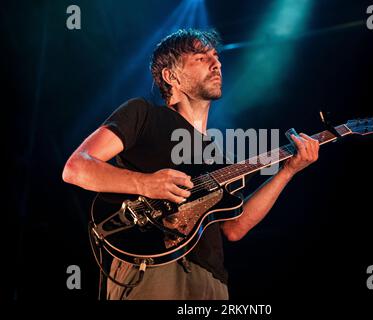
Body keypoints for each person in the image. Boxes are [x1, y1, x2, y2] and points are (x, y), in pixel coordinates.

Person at [62, 29, 319, 300]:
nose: (216, 62)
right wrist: (145, 183)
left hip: (212, 280)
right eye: (200, 57)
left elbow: (235, 228)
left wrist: (288, 171)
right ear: (171, 77)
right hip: (152, 267)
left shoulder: (218, 159)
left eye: (216, 56)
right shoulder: (144, 114)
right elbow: (77, 167)